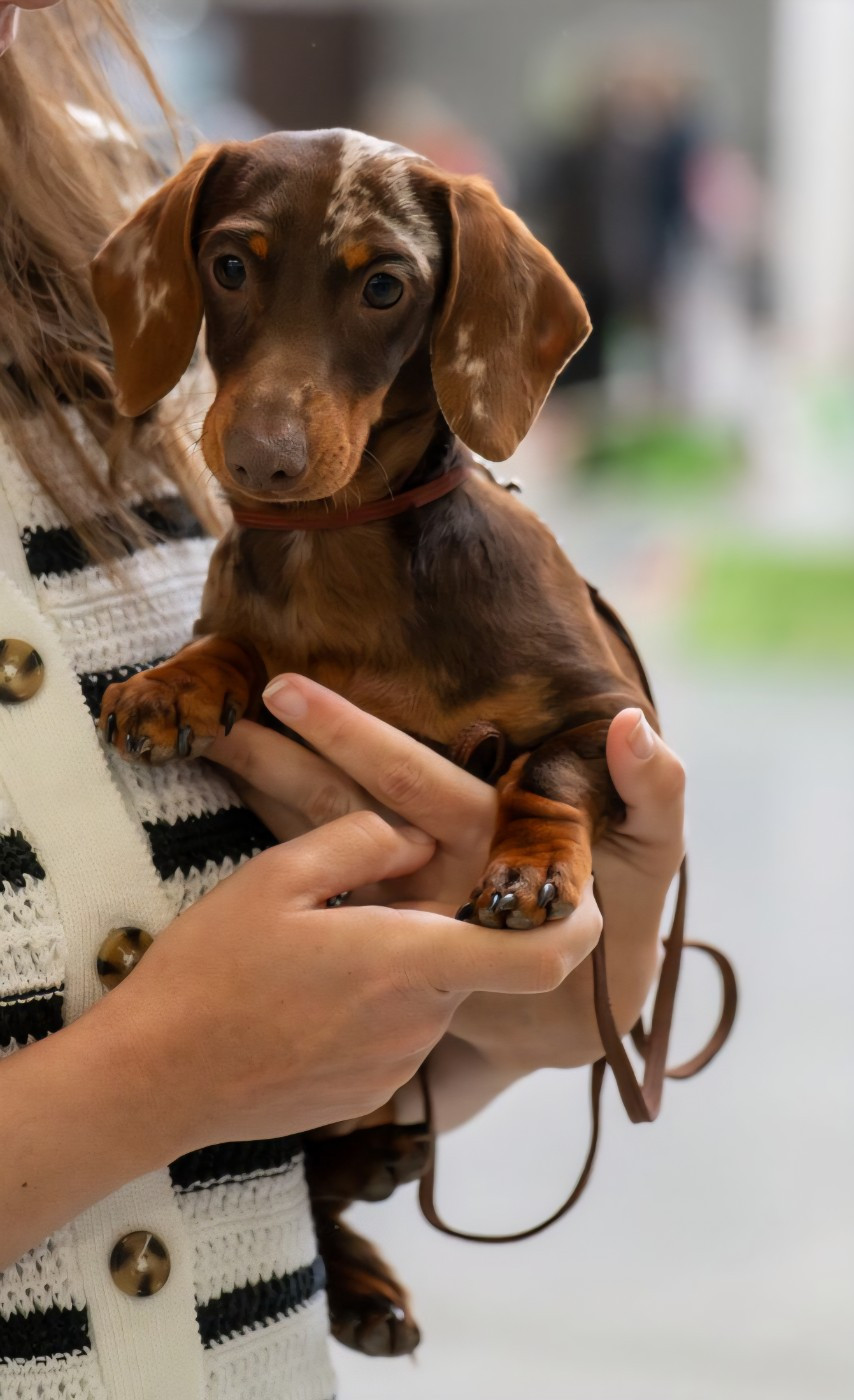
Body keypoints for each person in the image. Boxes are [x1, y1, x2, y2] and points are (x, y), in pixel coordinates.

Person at [0, 4, 687, 1397]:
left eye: (380, 291)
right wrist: (144, 1082)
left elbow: (331, 1045)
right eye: (240, 275)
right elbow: (207, 1060)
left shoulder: (116, 285)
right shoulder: (174, 278)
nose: (262, 431)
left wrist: (532, 1004)